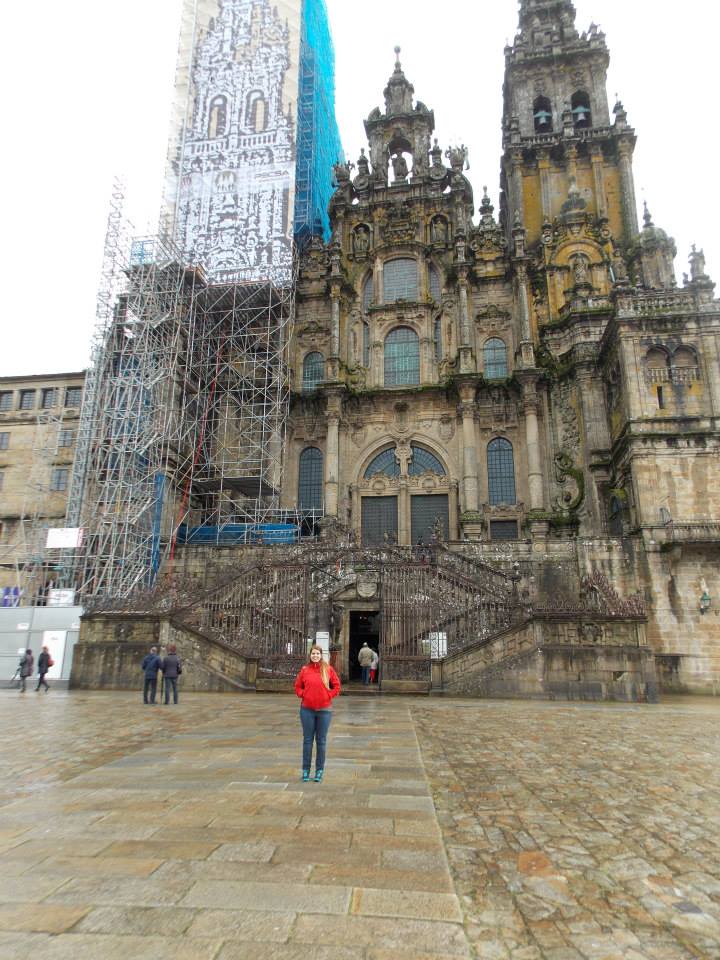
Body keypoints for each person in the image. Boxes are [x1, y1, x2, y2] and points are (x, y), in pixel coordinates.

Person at [294, 644, 341, 783]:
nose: (315, 656)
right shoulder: (305, 670)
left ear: (321, 655)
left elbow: (337, 686)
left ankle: (319, 770)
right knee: (307, 741)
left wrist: (328, 695)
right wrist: (303, 694)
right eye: (313, 653)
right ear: (310, 655)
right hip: (307, 710)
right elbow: (297, 686)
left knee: (321, 741)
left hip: (324, 711)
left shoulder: (328, 669)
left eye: (317, 654)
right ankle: (305, 770)